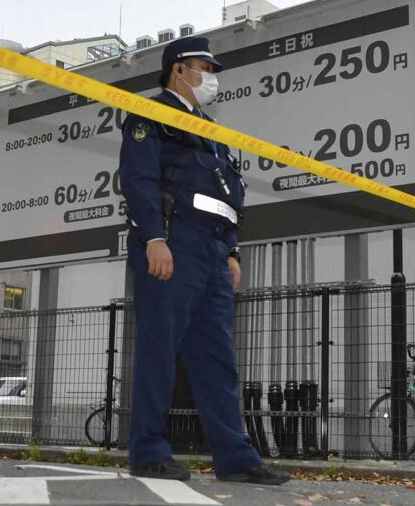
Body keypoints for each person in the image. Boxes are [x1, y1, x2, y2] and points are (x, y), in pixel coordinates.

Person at [119, 36, 290, 485]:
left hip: (213, 253)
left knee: (218, 359)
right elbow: (138, 180)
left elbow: (225, 193)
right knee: (160, 351)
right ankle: (149, 452)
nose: (211, 78)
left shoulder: (211, 131)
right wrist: (155, 237)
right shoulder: (152, 114)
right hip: (174, 244)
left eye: (213, 70)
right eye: (204, 68)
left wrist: (231, 250)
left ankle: (235, 458)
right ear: (179, 69)